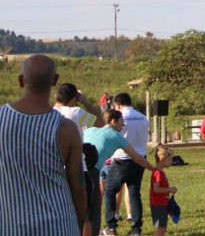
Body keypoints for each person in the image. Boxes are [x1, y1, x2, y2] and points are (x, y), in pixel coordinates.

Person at [0, 55, 85, 236]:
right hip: (59, 226)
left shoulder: (1, 119)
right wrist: (78, 224)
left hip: (11, 226)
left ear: (20, 81)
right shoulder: (66, 128)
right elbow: (77, 185)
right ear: (55, 80)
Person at [85, 110, 157, 236]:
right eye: (121, 121)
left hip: (74, 168)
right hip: (91, 171)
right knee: (93, 209)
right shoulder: (116, 136)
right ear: (114, 121)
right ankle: (125, 229)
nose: (123, 125)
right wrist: (155, 169)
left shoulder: (89, 130)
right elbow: (138, 158)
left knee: (82, 207)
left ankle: (109, 228)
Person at [104, 92, 150, 236]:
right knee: (134, 193)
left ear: (117, 105)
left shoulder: (119, 117)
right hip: (140, 159)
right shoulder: (143, 117)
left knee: (110, 192)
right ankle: (136, 228)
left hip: (121, 159)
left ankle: (111, 226)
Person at [149, 145, 177, 236]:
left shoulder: (160, 172)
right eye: (170, 159)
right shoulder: (157, 173)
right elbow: (156, 189)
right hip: (158, 205)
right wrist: (170, 189)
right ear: (162, 160)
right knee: (161, 229)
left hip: (162, 204)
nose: (172, 162)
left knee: (162, 228)